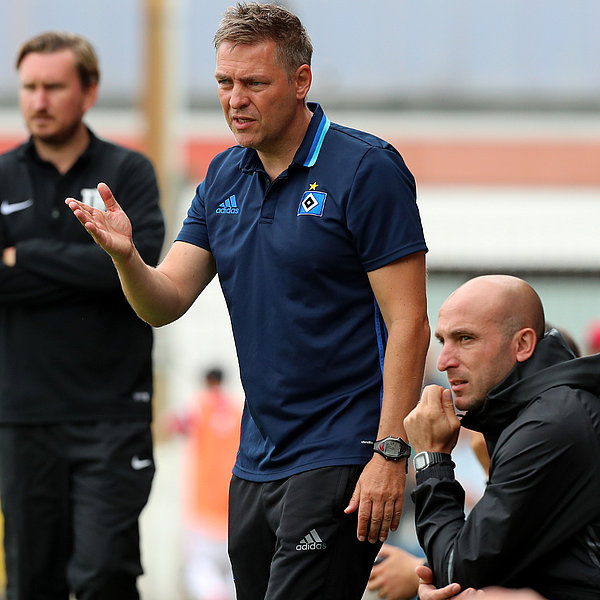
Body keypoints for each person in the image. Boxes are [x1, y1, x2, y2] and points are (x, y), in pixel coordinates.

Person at [65, 3, 430, 599]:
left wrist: (391, 452)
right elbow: (165, 300)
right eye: (225, 83)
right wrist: (127, 258)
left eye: (255, 83)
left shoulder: (367, 169)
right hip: (256, 459)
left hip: (343, 450)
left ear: (301, 81)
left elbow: (410, 322)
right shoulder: (222, 176)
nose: (236, 99)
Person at [0, 32, 165, 600]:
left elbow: (129, 269)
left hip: (112, 419)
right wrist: (83, 267)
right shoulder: (2, 176)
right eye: (28, 88)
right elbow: (95, 273)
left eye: (53, 87)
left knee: (102, 579)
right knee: (30, 583)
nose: (37, 101)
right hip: (22, 421)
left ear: (89, 90)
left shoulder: (127, 172)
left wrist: (23, 257)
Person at [403, 275, 600, 599]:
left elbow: (456, 571)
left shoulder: (550, 424)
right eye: (443, 341)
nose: (444, 361)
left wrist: (432, 457)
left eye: (465, 339)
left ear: (522, 344)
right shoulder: (538, 413)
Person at [164, 367, 240, 600]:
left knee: (200, 573)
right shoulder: (239, 408)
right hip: (235, 511)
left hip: (202, 513)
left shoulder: (197, 406)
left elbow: (169, 426)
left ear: (206, 381)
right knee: (235, 577)